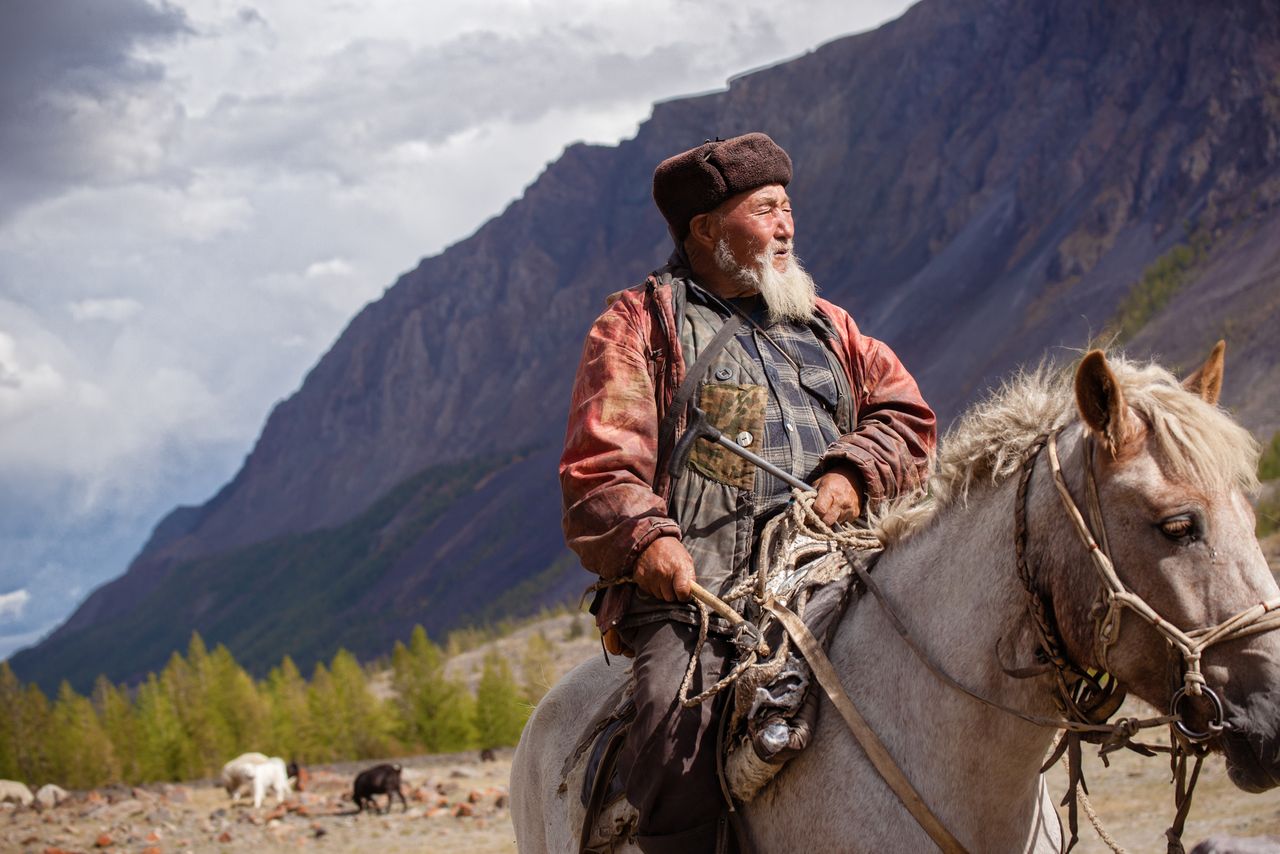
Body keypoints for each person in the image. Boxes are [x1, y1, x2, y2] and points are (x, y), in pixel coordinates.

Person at [559, 132, 937, 853]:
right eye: (765, 209)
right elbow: (598, 470)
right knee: (676, 730)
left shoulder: (832, 328)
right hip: (706, 601)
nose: (786, 225)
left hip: (843, 572)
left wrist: (851, 471)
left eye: (787, 207)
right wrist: (650, 542)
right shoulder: (640, 327)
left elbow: (907, 416)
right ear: (706, 229)